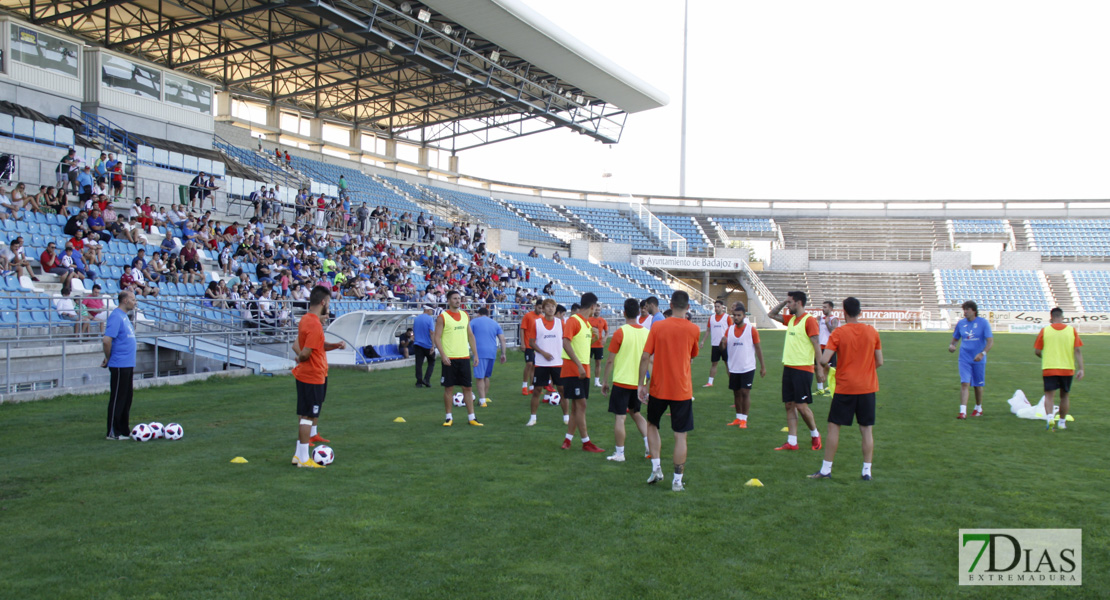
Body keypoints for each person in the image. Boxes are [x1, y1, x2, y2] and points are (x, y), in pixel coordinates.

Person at [809, 297, 883, 480]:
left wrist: (827, 369)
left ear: (844, 312)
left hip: (845, 387)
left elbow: (824, 359)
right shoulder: (872, 332)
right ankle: (867, 471)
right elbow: (880, 361)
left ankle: (826, 470)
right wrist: (864, 370)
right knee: (866, 429)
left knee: (834, 426)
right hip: (867, 387)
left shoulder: (840, 333)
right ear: (860, 312)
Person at [638, 291, 700, 491]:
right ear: (688, 307)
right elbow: (692, 355)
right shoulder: (693, 329)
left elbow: (645, 356)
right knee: (680, 435)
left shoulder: (658, 326)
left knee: (652, 424)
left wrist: (641, 383)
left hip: (659, 387)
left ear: (670, 304)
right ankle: (677, 481)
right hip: (682, 389)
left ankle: (657, 468)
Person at [290, 285, 346, 468]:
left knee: (305, 414)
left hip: (308, 374)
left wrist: (334, 345)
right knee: (307, 416)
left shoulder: (307, 319)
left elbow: (314, 346)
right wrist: (301, 357)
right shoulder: (314, 325)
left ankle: (299, 455)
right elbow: (305, 353)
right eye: (328, 302)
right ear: (323, 302)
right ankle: (305, 459)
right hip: (313, 375)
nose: (328, 305)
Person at [767, 291, 824, 451]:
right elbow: (771, 314)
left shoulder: (809, 321)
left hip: (803, 369)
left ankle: (815, 434)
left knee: (801, 406)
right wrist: (784, 302)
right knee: (789, 405)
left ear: (798, 303)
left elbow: (816, 345)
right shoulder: (791, 319)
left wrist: (819, 368)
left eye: (790, 302)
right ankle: (792, 442)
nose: (788, 305)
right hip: (789, 367)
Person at [601, 298, 651, 462]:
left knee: (620, 417)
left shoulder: (620, 332)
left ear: (624, 313)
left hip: (622, 381)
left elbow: (610, 360)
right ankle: (649, 446)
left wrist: (605, 381)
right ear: (638, 312)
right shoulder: (646, 332)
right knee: (636, 414)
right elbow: (650, 359)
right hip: (638, 382)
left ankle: (620, 453)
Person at [559, 293, 604, 452]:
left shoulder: (586, 324)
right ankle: (586, 442)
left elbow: (582, 345)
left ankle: (568, 440)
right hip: (574, 369)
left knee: (576, 407)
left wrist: (594, 338)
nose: (596, 310)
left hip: (583, 369)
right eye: (596, 307)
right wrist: (578, 365)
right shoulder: (574, 320)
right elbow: (565, 342)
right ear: (592, 306)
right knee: (581, 405)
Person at [432, 290, 482, 427]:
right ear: (448, 301)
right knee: (449, 388)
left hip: (464, 357)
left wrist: (475, 354)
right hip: (450, 358)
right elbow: (437, 337)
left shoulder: (465, 315)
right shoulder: (443, 317)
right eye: (454, 298)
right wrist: (443, 355)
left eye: (459, 298)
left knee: (468, 388)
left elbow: (470, 335)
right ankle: (449, 417)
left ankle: (472, 417)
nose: (458, 301)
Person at [1034, 307, 1085, 430]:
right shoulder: (1071, 331)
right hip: (1067, 368)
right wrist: (1081, 368)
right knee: (1064, 396)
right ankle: (1062, 423)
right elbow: (1077, 350)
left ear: (1051, 319)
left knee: (1049, 396)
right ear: (1062, 318)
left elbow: (1037, 351)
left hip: (1049, 367)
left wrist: (1044, 357)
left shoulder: (1045, 331)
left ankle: (1050, 418)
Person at [723, 302, 765, 428]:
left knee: (745, 392)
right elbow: (723, 348)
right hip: (734, 367)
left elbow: (758, 348)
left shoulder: (751, 329)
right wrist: (722, 343)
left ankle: (744, 419)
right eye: (734, 315)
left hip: (747, 366)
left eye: (739, 315)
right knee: (736, 393)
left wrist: (763, 366)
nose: (736, 317)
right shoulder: (729, 330)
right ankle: (738, 418)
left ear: (744, 316)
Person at [948, 300, 993, 419]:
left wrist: (982, 354)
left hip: (978, 359)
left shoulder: (983, 323)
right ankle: (962, 411)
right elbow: (955, 339)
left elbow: (990, 341)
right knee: (964, 383)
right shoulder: (961, 323)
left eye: (967, 309)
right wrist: (952, 346)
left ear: (974, 311)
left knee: (977, 385)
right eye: (964, 310)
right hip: (964, 358)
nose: (965, 312)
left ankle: (978, 407)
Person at [103, 291, 138, 440]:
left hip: (128, 364)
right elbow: (106, 340)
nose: (135, 302)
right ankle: (112, 431)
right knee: (118, 398)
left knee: (127, 398)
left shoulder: (124, 317)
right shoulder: (116, 316)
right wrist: (108, 358)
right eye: (132, 299)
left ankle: (124, 430)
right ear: (124, 300)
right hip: (119, 364)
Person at [527, 298, 567, 426]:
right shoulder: (536, 323)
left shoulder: (561, 323)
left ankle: (566, 417)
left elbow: (566, 341)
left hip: (558, 362)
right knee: (537, 390)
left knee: (562, 390)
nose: (551, 309)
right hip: (541, 362)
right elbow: (531, 342)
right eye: (548, 306)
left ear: (555, 309)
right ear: (543, 309)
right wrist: (543, 352)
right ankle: (533, 417)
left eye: (553, 307)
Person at [470, 307, 507, 408]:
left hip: (479, 352)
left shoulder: (474, 322)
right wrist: (503, 353)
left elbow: (468, 335)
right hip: (492, 352)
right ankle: (484, 398)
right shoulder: (494, 323)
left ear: (478, 314)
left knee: (479, 377)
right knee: (486, 376)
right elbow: (502, 339)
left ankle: (482, 401)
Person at [700, 300, 733, 387]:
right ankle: (710, 382)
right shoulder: (711, 318)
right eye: (715, 307)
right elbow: (708, 331)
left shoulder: (727, 317)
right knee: (714, 363)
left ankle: (732, 381)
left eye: (718, 306)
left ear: (722, 307)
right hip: (715, 344)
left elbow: (732, 330)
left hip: (725, 345)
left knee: (727, 363)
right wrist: (703, 341)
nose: (716, 308)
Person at [815, 300, 840, 396]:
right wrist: (817, 322)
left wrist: (827, 323)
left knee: (830, 368)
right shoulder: (820, 318)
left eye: (825, 307)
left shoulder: (834, 319)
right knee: (817, 367)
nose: (823, 309)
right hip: (820, 345)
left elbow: (833, 331)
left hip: (830, 347)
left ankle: (831, 388)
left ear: (830, 308)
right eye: (823, 307)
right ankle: (820, 388)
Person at [519, 299, 542, 396]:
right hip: (528, 344)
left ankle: (532, 387)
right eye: (539, 307)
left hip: (537, 346)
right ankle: (524, 386)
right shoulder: (528, 316)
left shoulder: (541, 317)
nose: (541, 310)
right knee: (529, 364)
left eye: (542, 308)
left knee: (534, 366)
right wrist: (523, 343)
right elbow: (522, 329)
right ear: (535, 306)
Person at [411, 304, 437, 387]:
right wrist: (433, 345)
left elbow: (414, 331)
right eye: (432, 310)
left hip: (418, 344)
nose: (432, 312)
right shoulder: (429, 319)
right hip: (427, 344)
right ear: (428, 310)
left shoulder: (416, 318)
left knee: (419, 364)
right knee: (431, 362)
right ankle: (426, 379)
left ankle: (419, 381)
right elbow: (432, 332)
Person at [588, 303, 609, 388]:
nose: (597, 311)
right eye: (596, 310)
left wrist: (605, 338)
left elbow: (607, 332)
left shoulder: (603, 320)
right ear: (593, 310)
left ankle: (597, 381)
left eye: (599, 310)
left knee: (598, 363)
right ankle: (586, 379)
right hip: (589, 344)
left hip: (599, 345)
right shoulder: (588, 319)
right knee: (586, 363)